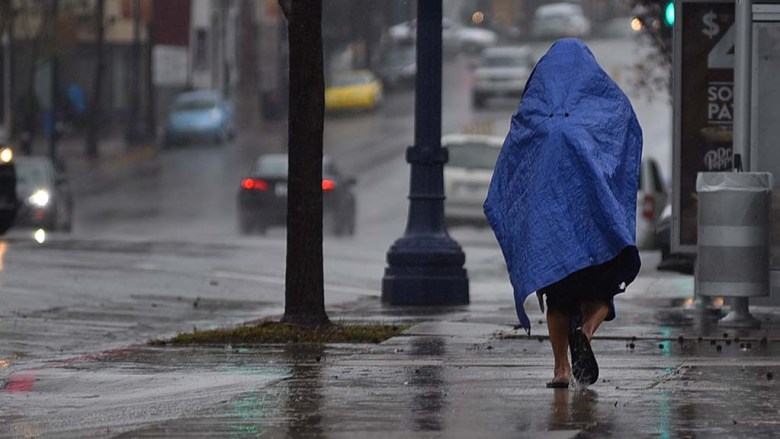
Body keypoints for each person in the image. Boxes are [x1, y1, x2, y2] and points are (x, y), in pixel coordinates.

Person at [483, 39, 642, 389]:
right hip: (596, 234)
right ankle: (586, 330)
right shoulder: (602, 108)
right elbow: (625, 144)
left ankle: (560, 370)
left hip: (553, 237)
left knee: (558, 300)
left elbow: (515, 172)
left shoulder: (536, 118)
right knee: (601, 292)